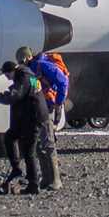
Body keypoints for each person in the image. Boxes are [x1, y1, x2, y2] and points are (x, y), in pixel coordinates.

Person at [0, 61, 47, 195]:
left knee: (29, 151)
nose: (7, 78)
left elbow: (14, 96)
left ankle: (34, 184)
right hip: (30, 117)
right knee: (10, 137)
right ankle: (17, 169)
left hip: (33, 118)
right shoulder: (28, 75)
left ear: (12, 71)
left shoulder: (22, 77)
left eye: (7, 75)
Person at [20, 47, 71, 191]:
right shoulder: (32, 67)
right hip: (39, 107)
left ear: (27, 58)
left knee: (48, 142)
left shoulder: (43, 65)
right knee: (40, 143)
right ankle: (47, 178)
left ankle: (56, 179)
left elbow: (62, 82)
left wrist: (58, 102)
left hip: (48, 107)